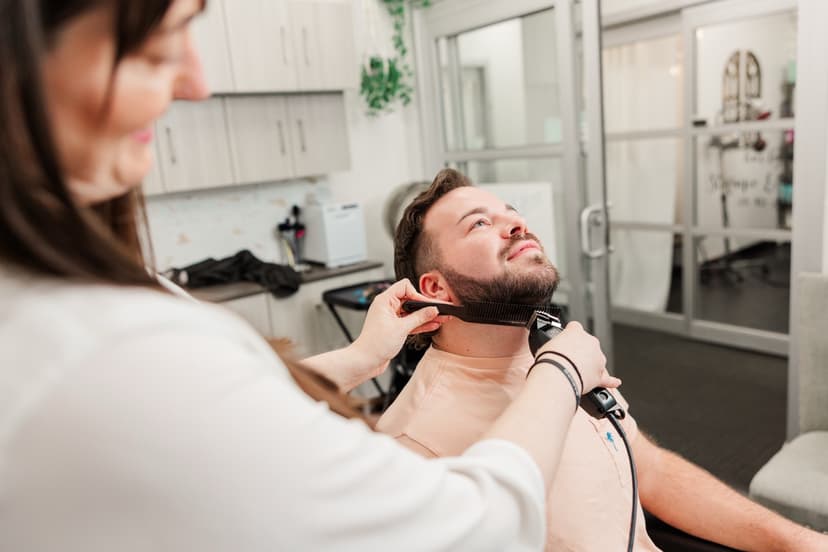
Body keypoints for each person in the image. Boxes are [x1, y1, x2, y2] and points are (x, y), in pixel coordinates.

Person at [0, 2, 622, 550]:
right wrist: (561, 373)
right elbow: (476, 529)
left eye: (510, 211)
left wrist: (360, 357)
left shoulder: (89, 311)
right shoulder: (110, 351)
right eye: (159, 41)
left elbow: (231, 418)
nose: (196, 82)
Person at [378, 168, 828, 551]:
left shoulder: (558, 353)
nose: (516, 225)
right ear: (434, 289)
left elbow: (647, 468)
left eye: (511, 212)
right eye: (478, 224)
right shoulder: (412, 446)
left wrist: (799, 542)